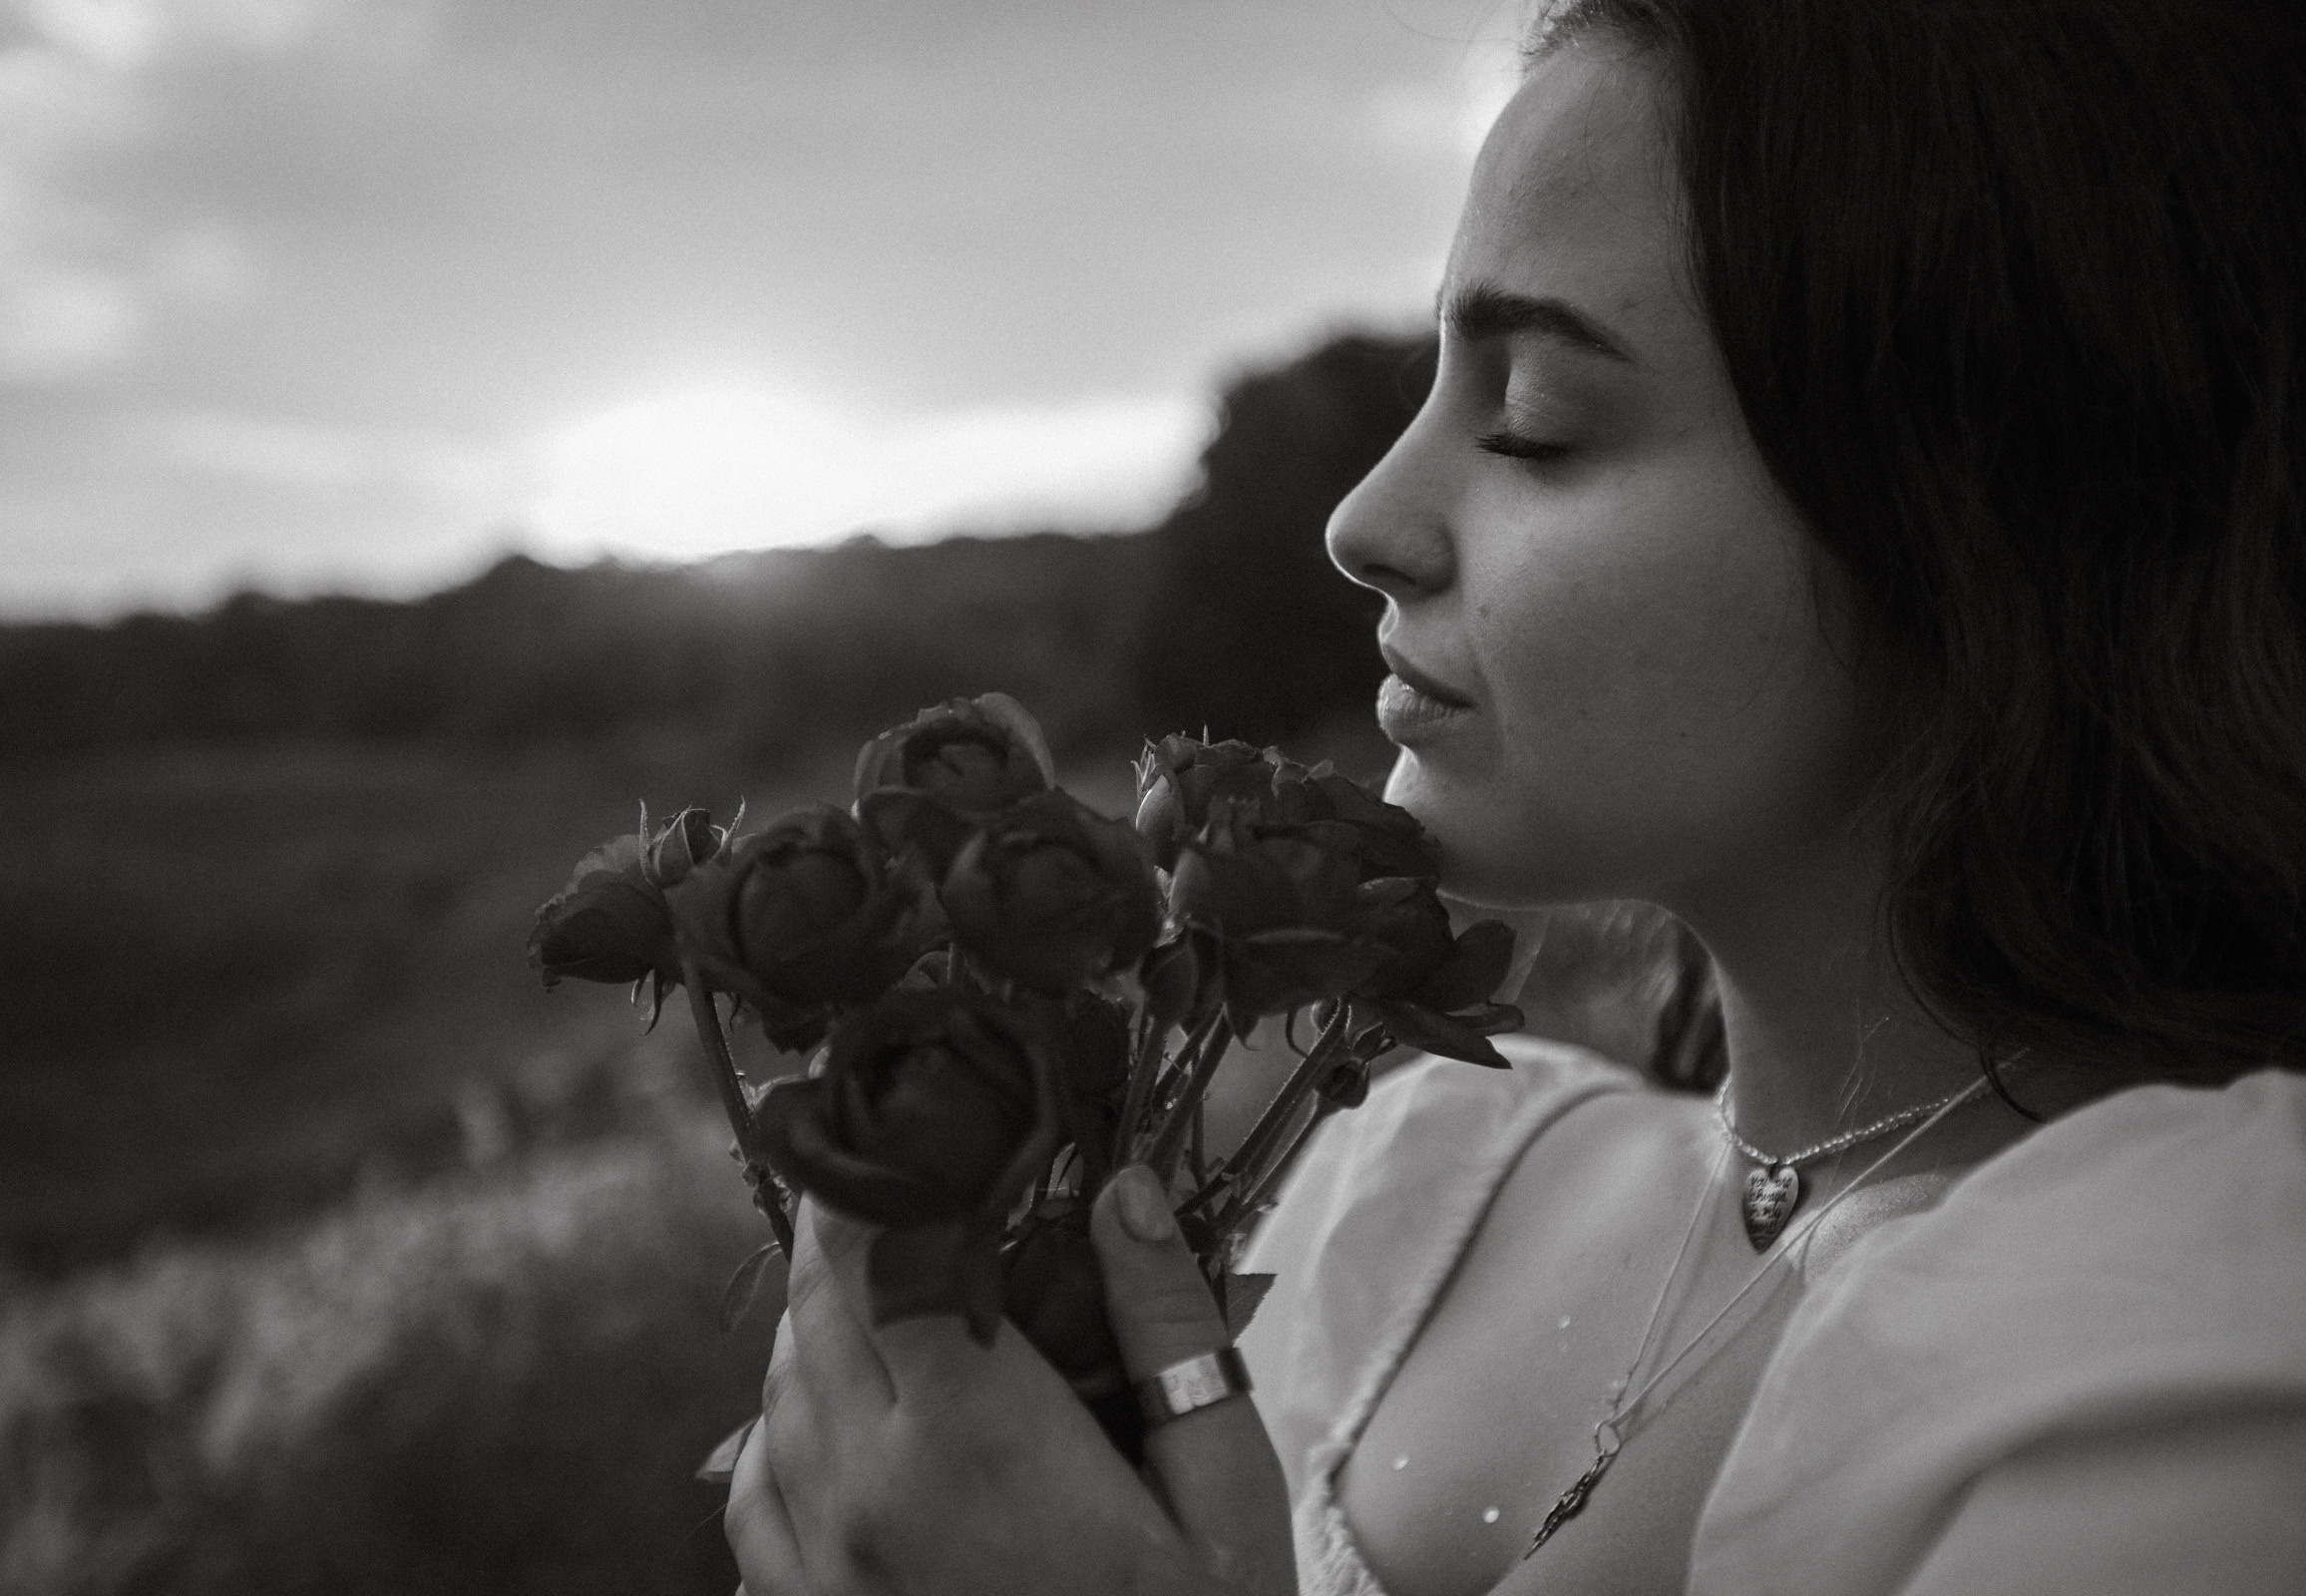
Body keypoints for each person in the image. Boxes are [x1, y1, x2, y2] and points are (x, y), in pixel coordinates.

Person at [722, 1, 2306, 1591]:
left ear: (1985, 516)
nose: (1363, 518)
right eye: (1428, 380)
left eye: (1534, 421)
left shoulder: (2195, 1344)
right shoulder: (1408, 1195)